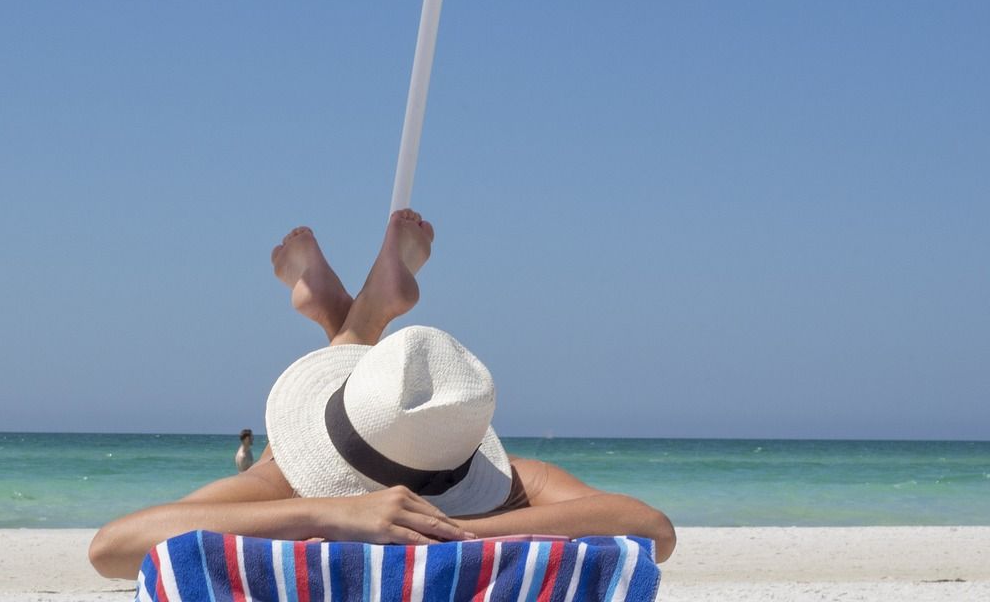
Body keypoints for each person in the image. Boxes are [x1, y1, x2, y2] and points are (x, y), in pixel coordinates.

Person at [89, 210, 675, 579]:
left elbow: (112, 548)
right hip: (457, 497)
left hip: (307, 488)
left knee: (277, 455)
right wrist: (462, 527)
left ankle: (361, 318)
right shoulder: (518, 486)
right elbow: (652, 527)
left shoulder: (285, 480)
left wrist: (333, 514)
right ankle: (360, 313)